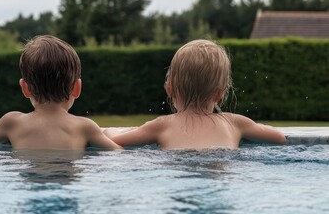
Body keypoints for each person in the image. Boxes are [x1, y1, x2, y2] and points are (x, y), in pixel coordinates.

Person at [105, 39, 286, 150]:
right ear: (219, 94)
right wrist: (257, 125)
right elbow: (279, 138)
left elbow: (114, 141)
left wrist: (108, 130)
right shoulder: (235, 123)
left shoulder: (161, 125)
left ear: (170, 89)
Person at [0, 35, 122, 150]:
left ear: (25, 88)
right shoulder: (85, 127)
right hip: (67, 189)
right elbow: (119, 153)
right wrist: (109, 134)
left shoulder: (11, 123)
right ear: (77, 88)